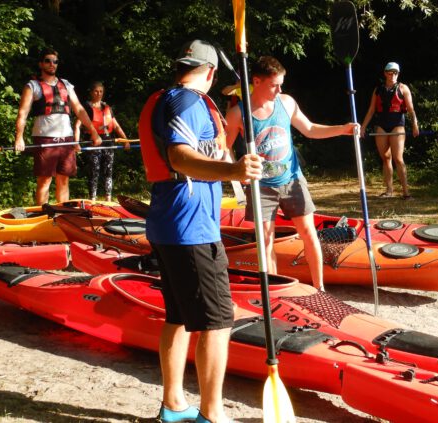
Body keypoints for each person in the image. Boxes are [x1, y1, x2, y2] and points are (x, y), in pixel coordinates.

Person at [139, 39, 262, 423]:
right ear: (209, 72)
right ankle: (212, 414)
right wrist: (234, 171)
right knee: (218, 321)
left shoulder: (170, 98)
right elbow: (180, 156)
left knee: (177, 316)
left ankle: (174, 406)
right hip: (189, 228)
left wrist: (236, 171)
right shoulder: (188, 102)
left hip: (173, 224)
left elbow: (204, 151)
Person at [225, 56, 358, 291]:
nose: (280, 89)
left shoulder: (286, 103)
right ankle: (274, 293)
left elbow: (310, 129)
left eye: (281, 84)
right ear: (256, 81)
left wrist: (343, 129)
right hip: (260, 186)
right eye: (275, 84)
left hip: (292, 180)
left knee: (309, 233)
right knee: (265, 242)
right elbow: (223, 147)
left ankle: (320, 289)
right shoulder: (238, 113)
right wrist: (236, 170)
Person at [15, 48, 102, 205]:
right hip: (45, 139)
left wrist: (94, 133)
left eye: (55, 61)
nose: (52, 64)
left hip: (66, 139)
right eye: (48, 61)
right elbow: (22, 113)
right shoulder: (32, 86)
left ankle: (63, 214)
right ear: (41, 64)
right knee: (45, 181)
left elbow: (80, 110)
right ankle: (43, 216)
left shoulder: (66, 85)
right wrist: (19, 138)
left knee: (64, 180)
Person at [360, 61, 420, 200]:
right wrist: (363, 127)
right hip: (381, 125)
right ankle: (389, 191)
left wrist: (415, 125)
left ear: (398, 74)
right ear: (385, 73)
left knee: (398, 159)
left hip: (397, 124)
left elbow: (411, 110)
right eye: (390, 72)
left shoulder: (403, 88)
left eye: (395, 72)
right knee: (386, 158)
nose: (393, 75)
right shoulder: (378, 90)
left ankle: (406, 192)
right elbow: (371, 110)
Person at [73, 81, 128, 202]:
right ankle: (93, 198)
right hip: (93, 142)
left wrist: (125, 140)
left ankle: (108, 198)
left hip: (108, 141)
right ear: (91, 92)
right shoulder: (86, 107)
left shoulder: (106, 107)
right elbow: (77, 126)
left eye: (101, 91)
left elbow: (116, 126)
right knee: (94, 170)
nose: (99, 94)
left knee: (108, 170)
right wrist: (76, 143)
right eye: (96, 91)